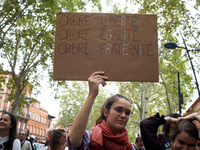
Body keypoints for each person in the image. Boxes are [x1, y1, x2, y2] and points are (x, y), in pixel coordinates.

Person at [67, 71, 134, 149]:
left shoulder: (129, 147)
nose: (123, 115)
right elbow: (74, 140)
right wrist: (91, 95)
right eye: (118, 110)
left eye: (127, 113)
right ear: (106, 112)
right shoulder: (91, 138)